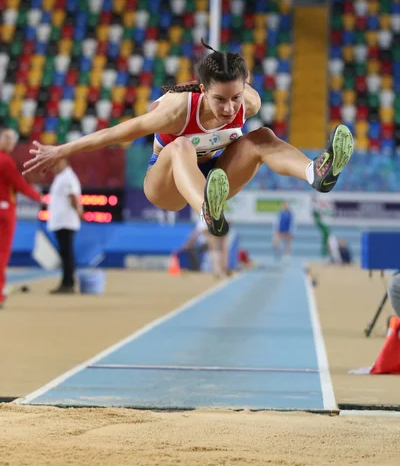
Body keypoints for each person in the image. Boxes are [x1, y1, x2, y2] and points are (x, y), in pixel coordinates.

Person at [23, 40, 354, 241]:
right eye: (219, 100)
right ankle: (205, 212)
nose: (229, 109)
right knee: (179, 145)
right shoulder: (176, 109)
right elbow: (116, 133)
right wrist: (61, 150)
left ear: (246, 86)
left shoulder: (249, 102)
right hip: (167, 184)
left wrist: (241, 111)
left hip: (215, 176)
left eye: (235, 98)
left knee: (262, 137)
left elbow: (248, 125)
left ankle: (315, 172)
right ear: (202, 89)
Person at [0, 128, 44, 308]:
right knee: (2, 254)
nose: (11, 143)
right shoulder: (5, 161)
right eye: (7, 139)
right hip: (5, 211)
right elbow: (19, 184)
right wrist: (38, 197)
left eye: (13, 139)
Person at [47, 158, 83, 294]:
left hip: (66, 221)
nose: (54, 166)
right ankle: (66, 282)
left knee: (67, 253)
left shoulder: (68, 177)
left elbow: (73, 196)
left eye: (56, 162)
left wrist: (78, 211)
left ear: (65, 163)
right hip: (60, 221)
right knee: (65, 253)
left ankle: (68, 283)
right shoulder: (61, 176)